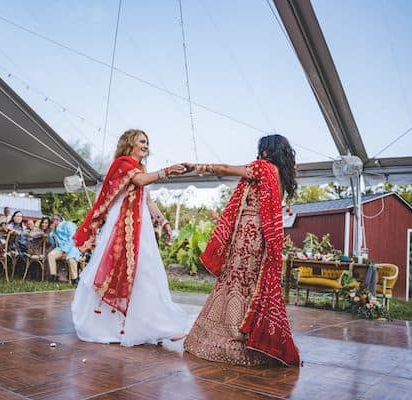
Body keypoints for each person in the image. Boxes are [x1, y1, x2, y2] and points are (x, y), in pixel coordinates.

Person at [183, 134, 300, 367]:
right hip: (264, 239)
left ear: (266, 151)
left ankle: (233, 333)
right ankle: (251, 335)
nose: (259, 153)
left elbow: (227, 168)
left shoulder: (262, 167)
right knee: (252, 284)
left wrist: (198, 167)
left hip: (248, 233)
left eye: (261, 149)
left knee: (235, 282)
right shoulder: (281, 176)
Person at [71, 129, 189, 346]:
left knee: (146, 272)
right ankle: (105, 326)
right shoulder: (123, 164)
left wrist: (163, 221)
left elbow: (148, 200)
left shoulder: (140, 169)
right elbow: (141, 181)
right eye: (142, 141)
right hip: (121, 227)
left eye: (147, 142)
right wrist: (166, 171)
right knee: (115, 270)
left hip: (140, 227)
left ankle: (154, 326)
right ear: (130, 143)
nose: (146, 145)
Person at [46, 214, 82, 284]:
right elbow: (52, 242)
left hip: (71, 247)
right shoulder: (55, 229)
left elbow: (72, 237)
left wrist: (65, 251)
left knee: (71, 259)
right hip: (60, 248)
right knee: (51, 255)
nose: (53, 221)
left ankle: (75, 279)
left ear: (58, 219)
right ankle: (54, 276)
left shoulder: (68, 224)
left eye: (54, 219)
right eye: (52, 220)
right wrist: (51, 232)